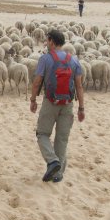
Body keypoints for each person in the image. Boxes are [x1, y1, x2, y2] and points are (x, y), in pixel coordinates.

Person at [29, 29, 85, 183]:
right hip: (67, 104)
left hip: (50, 103)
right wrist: (81, 108)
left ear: (52, 41)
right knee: (62, 138)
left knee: (42, 134)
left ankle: (52, 161)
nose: (46, 43)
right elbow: (79, 86)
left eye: (47, 40)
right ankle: (58, 174)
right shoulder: (74, 60)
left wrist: (33, 100)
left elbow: (37, 82)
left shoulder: (45, 59)